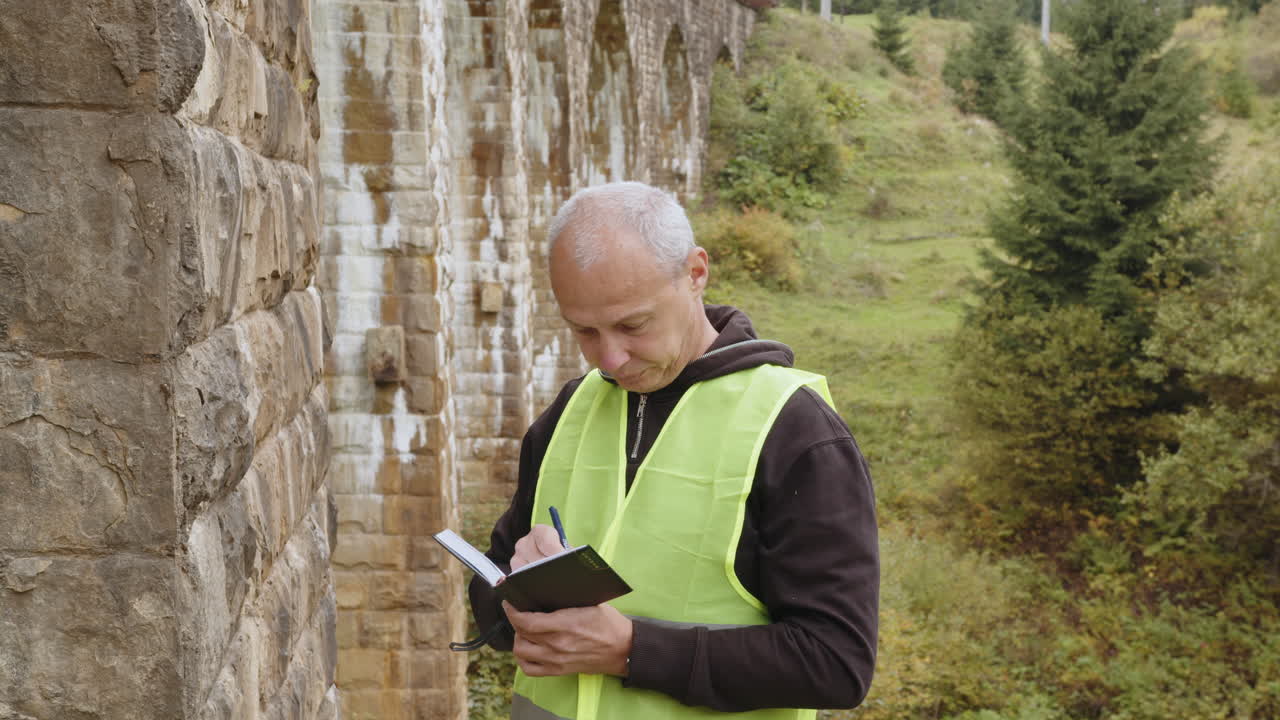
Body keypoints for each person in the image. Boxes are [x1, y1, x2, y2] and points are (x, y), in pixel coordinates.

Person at [468, 182, 878, 719]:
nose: (610, 358)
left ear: (695, 273)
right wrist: (515, 593)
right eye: (584, 331)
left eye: (632, 324)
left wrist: (633, 651)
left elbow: (837, 664)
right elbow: (490, 608)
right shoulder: (570, 410)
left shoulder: (794, 430)